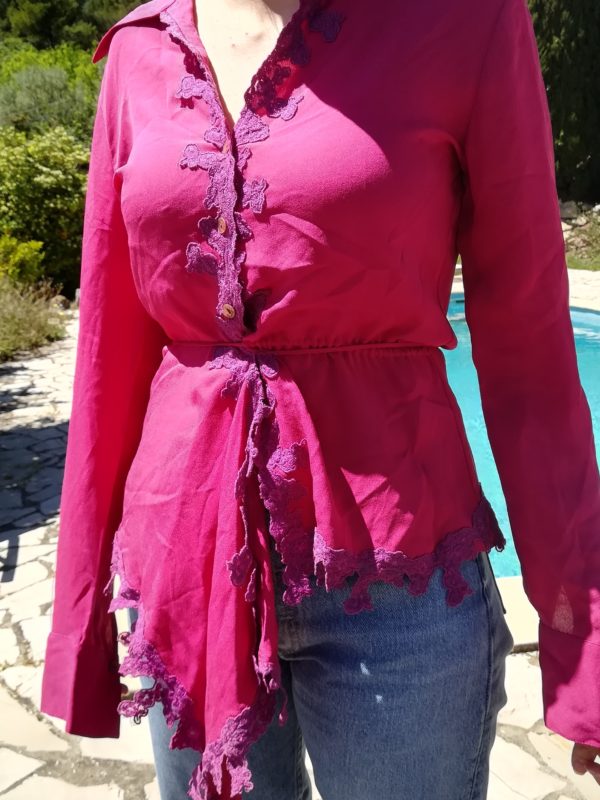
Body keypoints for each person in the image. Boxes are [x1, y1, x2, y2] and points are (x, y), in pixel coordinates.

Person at [40, 0, 600, 798]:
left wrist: (585, 640)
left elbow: (531, 346)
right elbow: (111, 350)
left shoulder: (465, 22)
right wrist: (81, 619)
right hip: (188, 567)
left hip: (398, 577)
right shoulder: (142, 49)